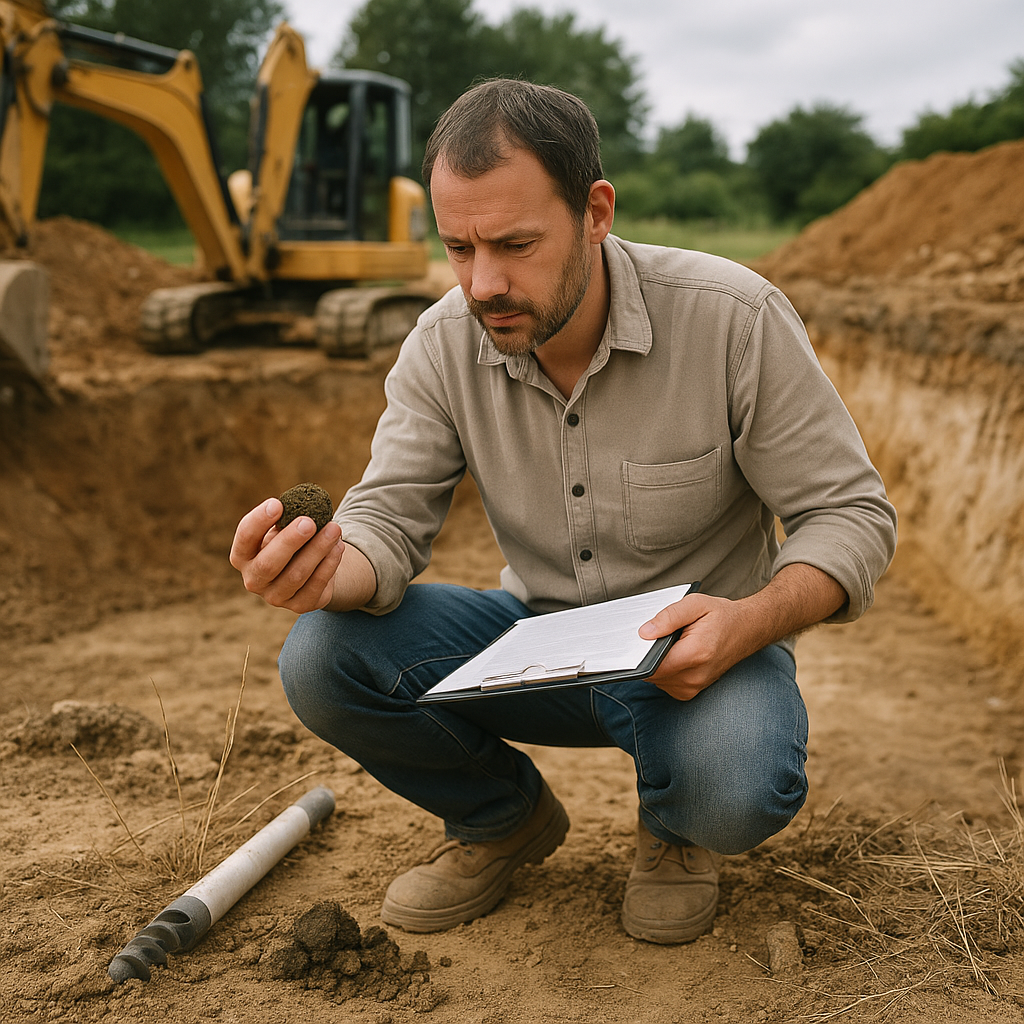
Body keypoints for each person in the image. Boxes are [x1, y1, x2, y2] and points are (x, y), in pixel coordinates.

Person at [230, 79, 897, 945]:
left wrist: (749, 622)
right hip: (538, 647)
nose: (484, 282)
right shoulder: (441, 342)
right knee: (322, 653)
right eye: (459, 249)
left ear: (596, 211)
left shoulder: (732, 318)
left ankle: (677, 830)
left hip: (701, 660)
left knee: (735, 786)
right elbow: (387, 522)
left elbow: (850, 514)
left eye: (514, 244)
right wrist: (323, 570)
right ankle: (502, 819)